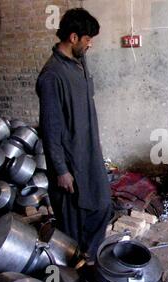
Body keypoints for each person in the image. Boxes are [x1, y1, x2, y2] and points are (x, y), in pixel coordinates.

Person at [36, 8, 111, 260]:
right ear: (73, 37)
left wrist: (84, 57)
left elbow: (88, 91)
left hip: (88, 153)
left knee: (101, 205)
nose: (91, 44)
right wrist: (61, 170)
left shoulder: (77, 64)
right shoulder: (52, 76)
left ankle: (87, 260)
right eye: (88, 39)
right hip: (70, 164)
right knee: (72, 225)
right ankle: (71, 275)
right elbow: (50, 128)